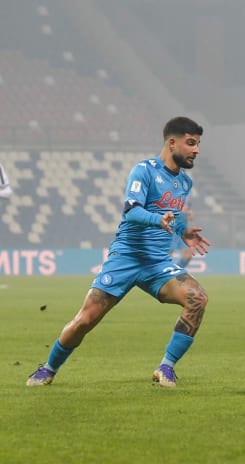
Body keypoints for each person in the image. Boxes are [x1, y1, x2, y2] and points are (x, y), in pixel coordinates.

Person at [26, 116, 211, 388]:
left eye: (198, 144)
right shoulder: (144, 171)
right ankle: (49, 368)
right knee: (85, 320)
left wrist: (184, 231)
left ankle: (166, 367)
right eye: (191, 143)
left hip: (157, 263)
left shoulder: (184, 183)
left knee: (198, 299)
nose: (196, 150)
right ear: (172, 142)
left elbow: (176, 213)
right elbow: (132, 210)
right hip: (126, 258)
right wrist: (156, 220)